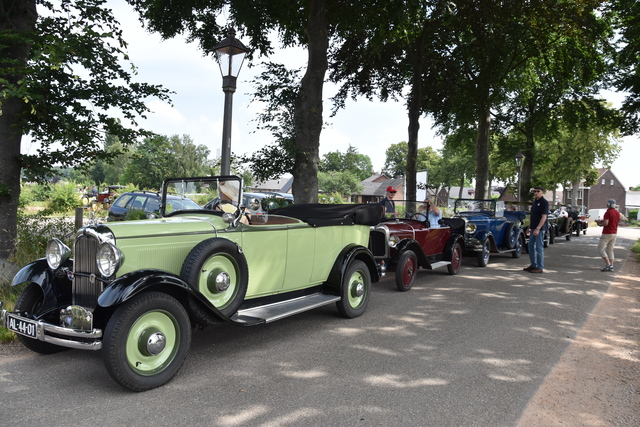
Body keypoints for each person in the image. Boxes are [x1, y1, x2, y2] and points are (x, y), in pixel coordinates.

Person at [524, 186, 549, 273]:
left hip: (540, 229)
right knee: (530, 246)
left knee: (539, 247)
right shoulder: (535, 202)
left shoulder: (544, 202)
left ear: (542, 192)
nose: (536, 193)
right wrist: (529, 227)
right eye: (535, 191)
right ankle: (533, 265)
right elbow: (533, 217)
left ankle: (540, 267)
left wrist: (538, 228)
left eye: (538, 191)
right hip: (533, 228)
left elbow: (544, 217)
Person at [597, 199, 621, 272]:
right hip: (614, 233)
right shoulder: (617, 213)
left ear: (608, 204)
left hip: (607, 233)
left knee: (600, 249)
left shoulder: (608, 212)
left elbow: (606, 223)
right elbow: (614, 221)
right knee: (610, 249)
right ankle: (611, 266)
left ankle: (608, 265)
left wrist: (600, 224)